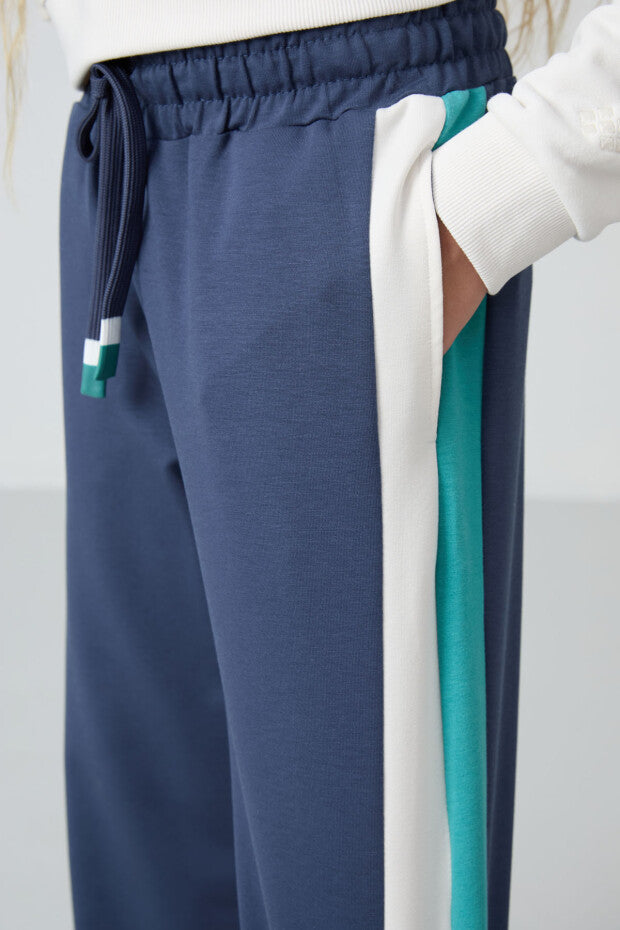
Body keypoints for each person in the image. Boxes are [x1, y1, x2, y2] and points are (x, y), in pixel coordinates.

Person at [2, 0, 619, 927]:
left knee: (348, 891)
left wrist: (531, 170)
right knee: (143, 880)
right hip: (119, 157)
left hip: (344, 144)